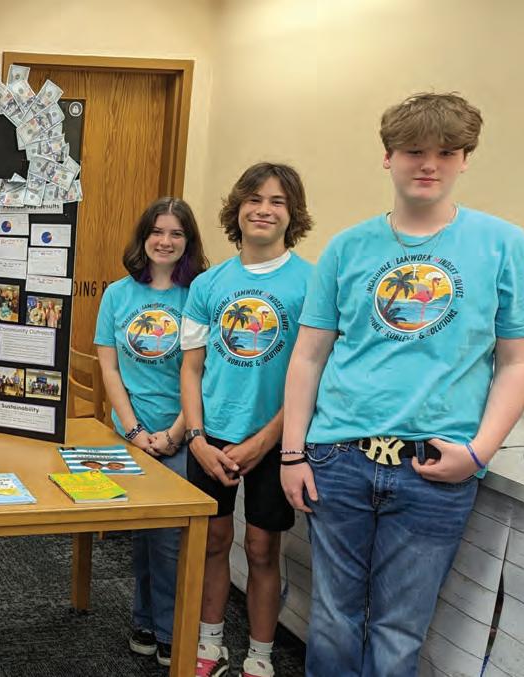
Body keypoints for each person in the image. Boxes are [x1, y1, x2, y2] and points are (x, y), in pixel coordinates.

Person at [281, 93, 524, 676]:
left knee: (400, 629)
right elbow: (308, 356)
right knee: (331, 616)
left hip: (437, 466)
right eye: (414, 151)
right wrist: (293, 452)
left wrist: (479, 452)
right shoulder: (347, 247)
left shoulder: (502, 246)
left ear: (466, 159)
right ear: (388, 157)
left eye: (446, 152)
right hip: (338, 458)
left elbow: (519, 362)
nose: (429, 164)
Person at [180, 163, 314, 677]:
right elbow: (191, 369)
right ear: (237, 208)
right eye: (254, 199)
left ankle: (260, 656)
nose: (264, 209)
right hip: (211, 435)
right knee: (212, 542)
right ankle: (209, 645)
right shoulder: (208, 284)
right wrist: (196, 438)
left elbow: (313, 373)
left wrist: (265, 440)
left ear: (292, 214)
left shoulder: (311, 282)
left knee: (261, 548)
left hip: (277, 438)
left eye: (278, 201)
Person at [94, 197, 208, 666]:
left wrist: (175, 434)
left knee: (168, 541)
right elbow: (109, 368)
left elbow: (201, 372)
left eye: (176, 233)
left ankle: (170, 632)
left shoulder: (198, 295)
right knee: (142, 536)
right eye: (157, 231)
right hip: (131, 434)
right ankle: (144, 621)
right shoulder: (117, 295)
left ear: (188, 241)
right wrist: (134, 430)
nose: (165, 241)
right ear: (143, 238)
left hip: (180, 433)